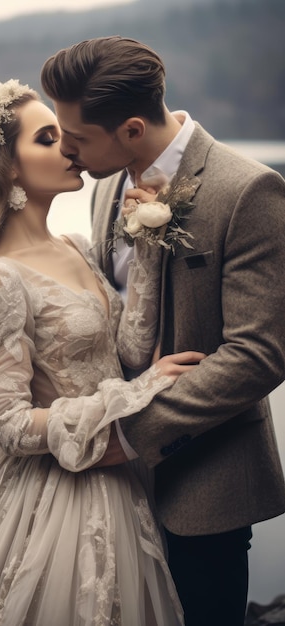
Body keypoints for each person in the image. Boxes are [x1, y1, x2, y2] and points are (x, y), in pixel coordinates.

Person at [0, 79, 206, 626]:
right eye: (48, 139)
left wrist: (146, 245)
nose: (69, 148)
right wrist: (140, 392)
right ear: (9, 167)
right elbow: (8, 423)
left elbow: (127, 347)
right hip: (55, 494)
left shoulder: (75, 247)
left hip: (119, 478)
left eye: (66, 136)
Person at [41, 36, 285, 626]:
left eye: (76, 138)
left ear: (129, 129)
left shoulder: (248, 190)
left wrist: (131, 434)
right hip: (109, 491)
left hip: (206, 479)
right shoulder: (104, 184)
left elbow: (259, 354)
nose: (67, 151)